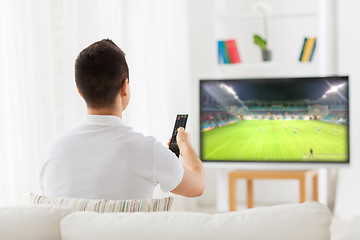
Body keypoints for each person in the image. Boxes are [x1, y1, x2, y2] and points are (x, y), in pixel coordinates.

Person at [39, 39, 205, 200]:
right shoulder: (149, 151)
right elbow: (197, 186)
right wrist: (185, 145)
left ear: (80, 91)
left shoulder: (52, 152)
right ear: (124, 87)